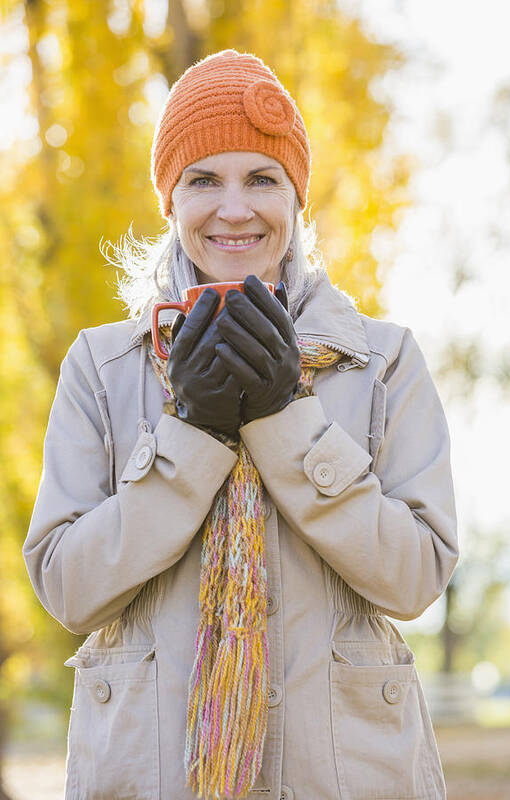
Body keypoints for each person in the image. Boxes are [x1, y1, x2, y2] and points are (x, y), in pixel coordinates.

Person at [23, 49, 458, 800]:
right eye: (203, 180)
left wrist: (285, 417)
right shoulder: (101, 366)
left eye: (262, 178)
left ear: (296, 200)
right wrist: (193, 434)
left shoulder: (382, 363)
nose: (233, 208)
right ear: (170, 202)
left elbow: (416, 576)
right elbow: (68, 589)